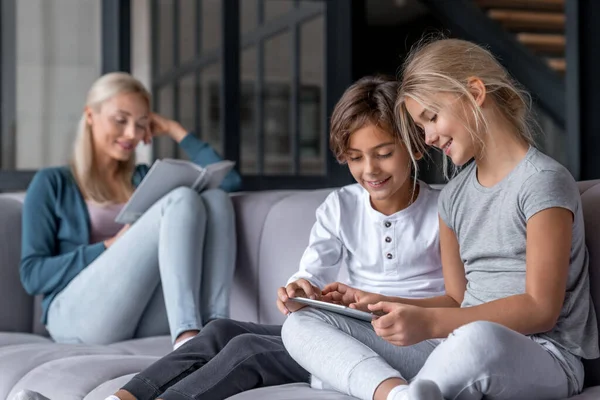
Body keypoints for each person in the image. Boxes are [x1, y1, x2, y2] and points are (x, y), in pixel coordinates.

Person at [281, 38, 599, 400]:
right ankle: (398, 395)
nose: (428, 137)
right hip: (453, 346)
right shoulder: (454, 197)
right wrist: (372, 300)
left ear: (475, 92)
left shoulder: (541, 181)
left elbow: (540, 309)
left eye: (431, 118)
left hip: (544, 354)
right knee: (302, 321)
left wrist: (430, 324)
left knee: (478, 337)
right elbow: (456, 300)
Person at [104, 75, 445, 400]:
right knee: (221, 331)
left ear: (414, 147)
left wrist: (371, 300)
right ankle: (123, 396)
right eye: (355, 158)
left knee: (248, 349)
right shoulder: (341, 206)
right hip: (351, 329)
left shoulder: (443, 210)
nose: (369, 169)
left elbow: (463, 299)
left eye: (383, 154)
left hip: (412, 338)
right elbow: (313, 271)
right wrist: (300, 288)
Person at [19, 72, 241, 350]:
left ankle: (217, 327)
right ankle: (187, 338)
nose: (131, 134)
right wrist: (110, 245)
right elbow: (32, 275)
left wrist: (174, 129)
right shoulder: (52, 182)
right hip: (75, 315)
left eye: (141, 124)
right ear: (90, 115)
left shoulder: (145, 178)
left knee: (216, 198)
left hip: (138, 316)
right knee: (182, 198)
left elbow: (229, 182)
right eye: (120, 120)